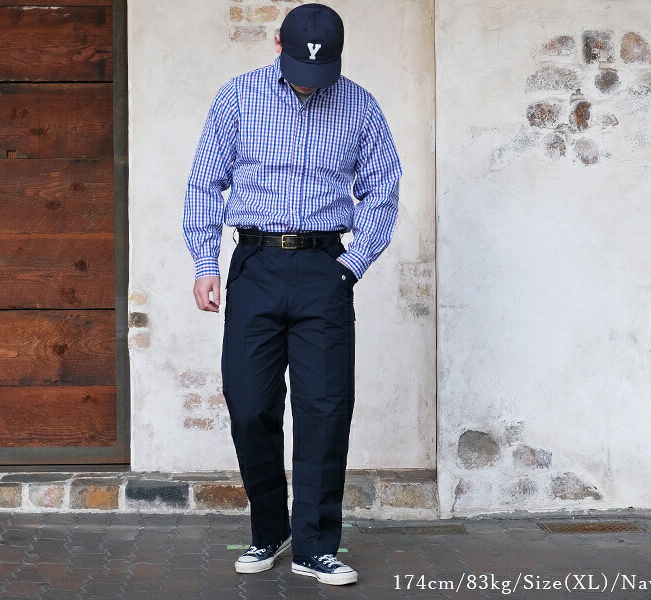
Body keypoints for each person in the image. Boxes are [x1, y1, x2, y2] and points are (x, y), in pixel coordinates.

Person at [182, 2, 402, 587]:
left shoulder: (360, 106)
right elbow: (204, 182)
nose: (310, 84)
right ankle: (270, 529)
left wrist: (350, 266)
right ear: (278, 46)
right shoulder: (238, 97)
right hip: (255, 264)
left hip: (323, 267)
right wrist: (205, 263)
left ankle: (315, 544)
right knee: (250, 403)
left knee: (324, 410)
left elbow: (383, 191)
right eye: (301, 71)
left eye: (321, 73)